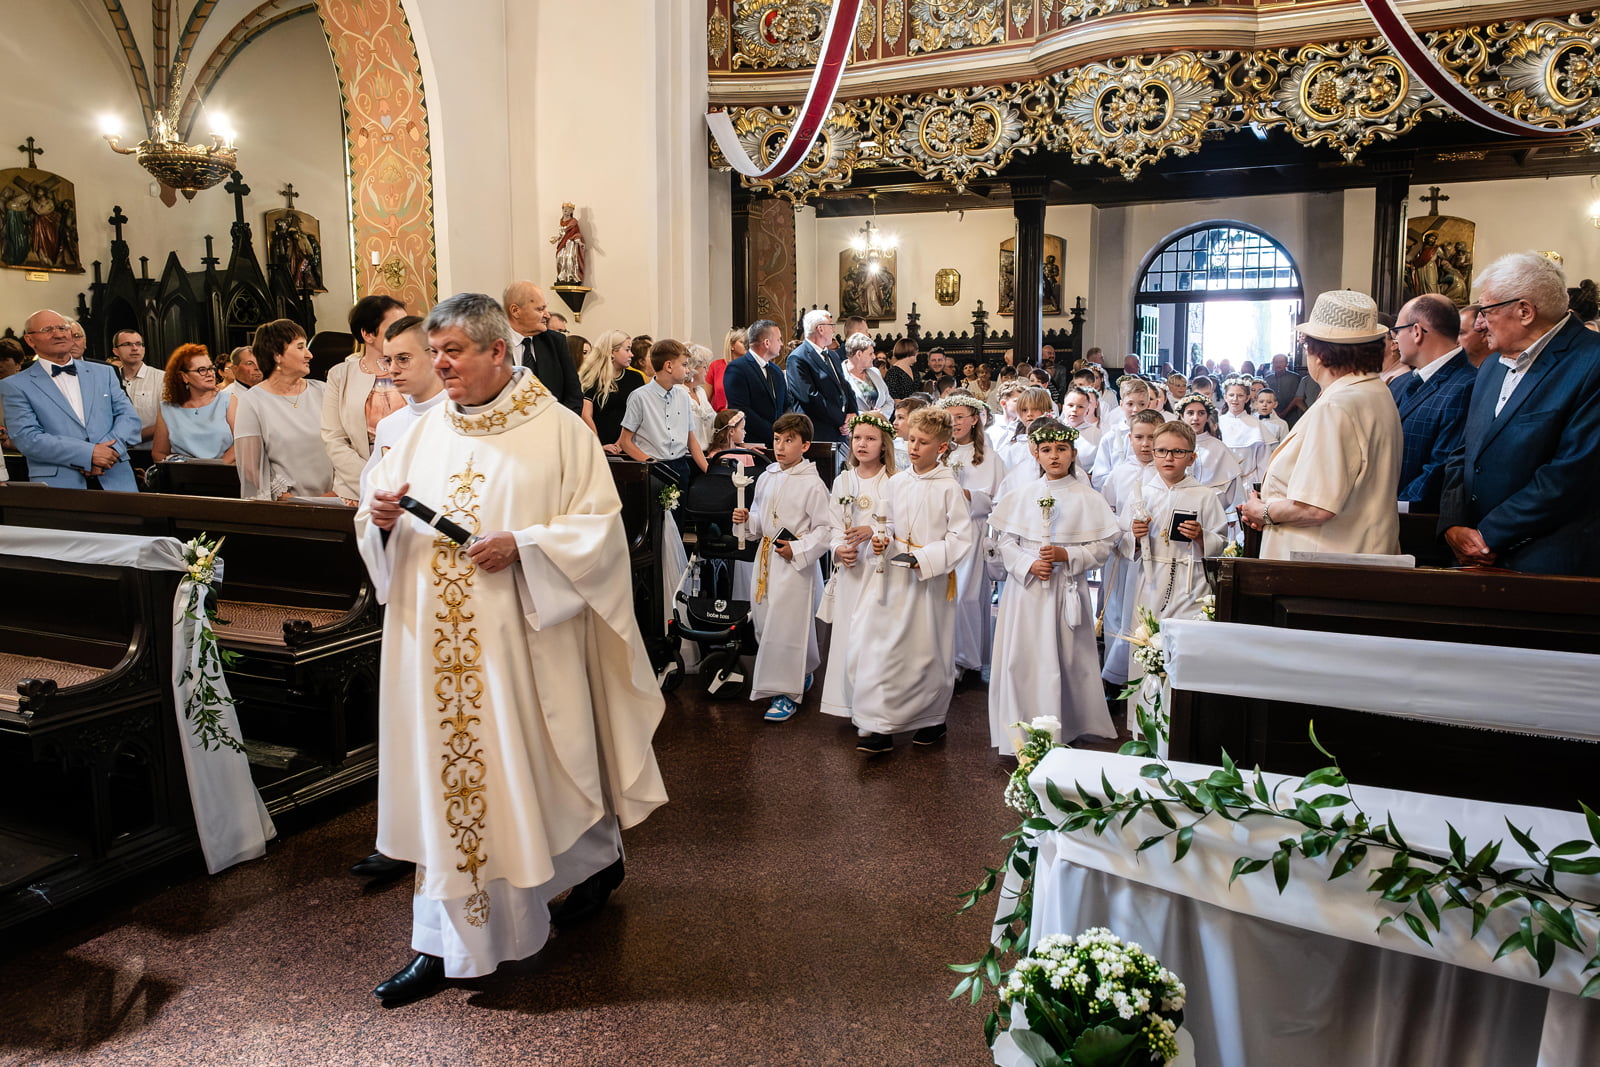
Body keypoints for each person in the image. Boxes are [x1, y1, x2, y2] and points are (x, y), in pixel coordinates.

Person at [355, 292, 666, 1005]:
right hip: (433, 652)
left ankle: (587, 867)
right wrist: (375, 515)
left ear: (498, 349)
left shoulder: (557, 430)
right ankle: (444, 942)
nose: (439, 365)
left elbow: (599, 533)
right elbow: (381, 502)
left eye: (452, 352)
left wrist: (524, 545)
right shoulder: (420, 429)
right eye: (432, 352)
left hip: (520, 646)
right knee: (455, 790)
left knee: (536, 778)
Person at [1439, 252, 1600, 576]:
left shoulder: (1591, 363)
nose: (1479, 322)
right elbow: (1463, 452)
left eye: (1486, 310)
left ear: (1524, 311)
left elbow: (1570, 475)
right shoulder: (1490, 367)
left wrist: (1488, 537)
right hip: (1472, 558)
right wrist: (1453, 524)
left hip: (1546, 566)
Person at [988, 418, 1119, 752]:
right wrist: (1028, 563)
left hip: (1065, 589)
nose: (1054, 456)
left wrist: (1067, 554)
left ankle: (1065, 725)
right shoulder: (1021, 495)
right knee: (1023, 658)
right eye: (1046, 450)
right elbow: (1006, 542)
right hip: (1026, 591)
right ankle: (1020, 728)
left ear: (1073, 453)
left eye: (1061, 449)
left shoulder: (1087, 498)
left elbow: (1102, 547)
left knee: (1065, 658)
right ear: (1036, 454)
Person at [1240, 290, 1402, 557]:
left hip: (1323, 564)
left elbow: (1316, 507)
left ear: (1322, 355)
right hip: (1359, 552)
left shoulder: (1337, 405)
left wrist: (1262, 511)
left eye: (1307, 346)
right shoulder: (1374, 390)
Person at [852, 406, 972, 754]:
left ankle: (931, 720)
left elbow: (961, 538)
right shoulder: (898, 481)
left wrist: (925, 557)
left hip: (929, 581)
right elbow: (885, 523)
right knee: (886, 649)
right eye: (912, 440)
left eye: (924, 442)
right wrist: (881, 539)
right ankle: (881, 725)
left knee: (926, 651)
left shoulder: (949, 487)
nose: (915, 447)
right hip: (893, 578)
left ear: (942, 447)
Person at [731, 412, 834, 723]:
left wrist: (798, 549)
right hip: (766, 560)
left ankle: (785, 693)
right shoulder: (767, 476)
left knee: (786, 627)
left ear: (805, 446)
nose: (781, 446)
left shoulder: (813, 484)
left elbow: (825, 530)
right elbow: (762, 519)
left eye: (789, 441)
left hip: (794, 564)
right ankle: (795, 672)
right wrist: (746, 520)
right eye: (777, 440)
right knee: (764, 621)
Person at [0, 308, 139, 489]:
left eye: (63, 328)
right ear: (30, 340)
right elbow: (28, 438)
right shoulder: (16, 384)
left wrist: (110, 451)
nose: (58, 334)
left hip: (115, 476)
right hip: (61, 485)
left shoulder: (104, 372)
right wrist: (88, 454)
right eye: (47, 330)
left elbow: (129, 418)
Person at [818, 411, 896, 722]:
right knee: (848, 636)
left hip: (879, 571)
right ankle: (846, 702)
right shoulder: (843, 480)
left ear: (883, 444)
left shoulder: (893, 481)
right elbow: (832, 524)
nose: (862, 444)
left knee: (875, 637)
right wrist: (839, 548)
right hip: (852, 568)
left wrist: (876, 532)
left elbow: (899, 524)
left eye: (870, 439)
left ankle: (876, 706)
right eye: (858, 438)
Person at [1125, 420, 1226, 631]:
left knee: (1188, 637)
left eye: (1178, 452)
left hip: (1191, 581)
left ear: (1192, 458)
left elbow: (1222, 543)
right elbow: (1121, 541)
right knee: (1149, 636)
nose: (1169, 457)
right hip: (1152, 578)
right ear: (1153, 454)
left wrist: (1201, 536)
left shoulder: (1205, 496)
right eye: (1162, 451)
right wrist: (1134, 537)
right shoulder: (1142, 494)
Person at [235, 319, 337, 501]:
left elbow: (344, 444)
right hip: (285, 507)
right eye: (300, 347)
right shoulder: (252, 402)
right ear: (277, 355)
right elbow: (251, 468)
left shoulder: (323, 391)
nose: (309, 355)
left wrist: (336, 492)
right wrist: (286, 498)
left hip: (336, 499)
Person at [1391, 293, 1475, 512]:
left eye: (1398, 331)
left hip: (1418, 518)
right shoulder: (1402, 383)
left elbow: (1442, 466)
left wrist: (1393, 508)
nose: (1395, 339)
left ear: (1417, 331)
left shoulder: (1466, 385)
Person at [941, 394, 1002, 681]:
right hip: (940, 530)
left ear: (975, 419)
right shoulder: (941, 451)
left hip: (971, 530)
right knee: (941, 596)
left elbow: (998, 500)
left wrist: (969, 496)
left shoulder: (989, 457)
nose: (955, 422)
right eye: (950, 416)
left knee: (965, 595)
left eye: (961, 416)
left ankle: (964, 659)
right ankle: (941, 654)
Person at [324, 294, 408, 500]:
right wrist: (373, 479)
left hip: (410, 481)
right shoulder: (340, 375)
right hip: (356, 486)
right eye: (395, 327)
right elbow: (333, 438)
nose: (403, 334)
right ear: (368, 334)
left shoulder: (415, 369)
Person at [358, 315, 446, 496]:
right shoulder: (389, 426)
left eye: (403, 359)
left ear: (434, 355)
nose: (393, 369)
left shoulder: (464, 418)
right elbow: (370, 494)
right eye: (388, 360)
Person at [618, 339, 709, 485]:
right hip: (653, 467)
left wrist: (709, 471)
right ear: (669, 366)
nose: (688, 370)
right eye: (684, 364)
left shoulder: (683, 396)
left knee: (681, 508)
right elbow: (625, 441)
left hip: (680, 466)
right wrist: (652, 465)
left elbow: (691, 440)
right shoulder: (639, 396)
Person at [505, 280, 583, 413]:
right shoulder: (492, 344)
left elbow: (573, 394)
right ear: (515, 311)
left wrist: (560, 425)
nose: (547, 315)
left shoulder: (556, 341)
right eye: (540, 309)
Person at [152, 343, 236, 462]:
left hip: (224, 473)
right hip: (183, 476)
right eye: (201, 370)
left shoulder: (229, 400)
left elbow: (240, 443)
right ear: (184, 376)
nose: (210, 373)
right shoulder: (167, 409)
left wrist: (215, 469)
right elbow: (158, 453)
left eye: (211, 368)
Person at [785, 309, 857, 444]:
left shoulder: (833, 355)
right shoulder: (797, 358)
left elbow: (844, 386)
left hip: (840, 431)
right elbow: (810, 397)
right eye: (831, 325)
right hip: (817, 432)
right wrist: (841, 419)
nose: (834, 330)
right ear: (820, 329)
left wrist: (852, 412)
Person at [722, 320, 789, 448]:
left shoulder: (776, 371)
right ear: (767, 343)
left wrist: (783, 433)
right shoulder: (737, 368)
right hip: (753, 443)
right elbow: (740, 408)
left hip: (777, 443)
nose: (781, 343)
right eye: (779, 339)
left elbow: (785, 405)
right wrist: (772, 433)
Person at [579, 329, 648, 450]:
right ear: (611, 352)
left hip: (630, 445)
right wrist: (598, 446)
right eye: (627, 350)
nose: (631, 354)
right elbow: (586, 415)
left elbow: (640, 414)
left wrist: (621, 443)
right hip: (600, 443)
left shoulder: (636, 378)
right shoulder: (593, 378)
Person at [110, 329, 161, 444]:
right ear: (116, 351)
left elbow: (170, 421)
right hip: (115, 452)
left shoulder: (162, 379)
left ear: (143, 348)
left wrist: (130, 440)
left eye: (138, 344)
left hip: (150, 450)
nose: (134, 348)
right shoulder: (109, 379)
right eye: (127, 344)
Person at [842, 332, 893, 420]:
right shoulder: (840, 375)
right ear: (859, 354)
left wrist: (880, 416)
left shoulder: (875, 372)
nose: (874, 357)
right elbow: (841, 408)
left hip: (880, 426)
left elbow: (889, 401)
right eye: (870, 353)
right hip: (855, 429)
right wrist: (869, 416)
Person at [683, 344, 717, 449]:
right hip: (688, 453)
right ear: (693, 367)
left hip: (707, 451)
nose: (707, 371)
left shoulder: (700, 392)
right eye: (704, 367)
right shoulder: (679, 392)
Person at [707, 328, 746, 411]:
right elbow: (706, 399)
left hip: (745, 418)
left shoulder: (750, 367)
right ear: (732, 345)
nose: (747, 345)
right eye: (742, 342)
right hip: (721, 418)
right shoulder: (715, 366)